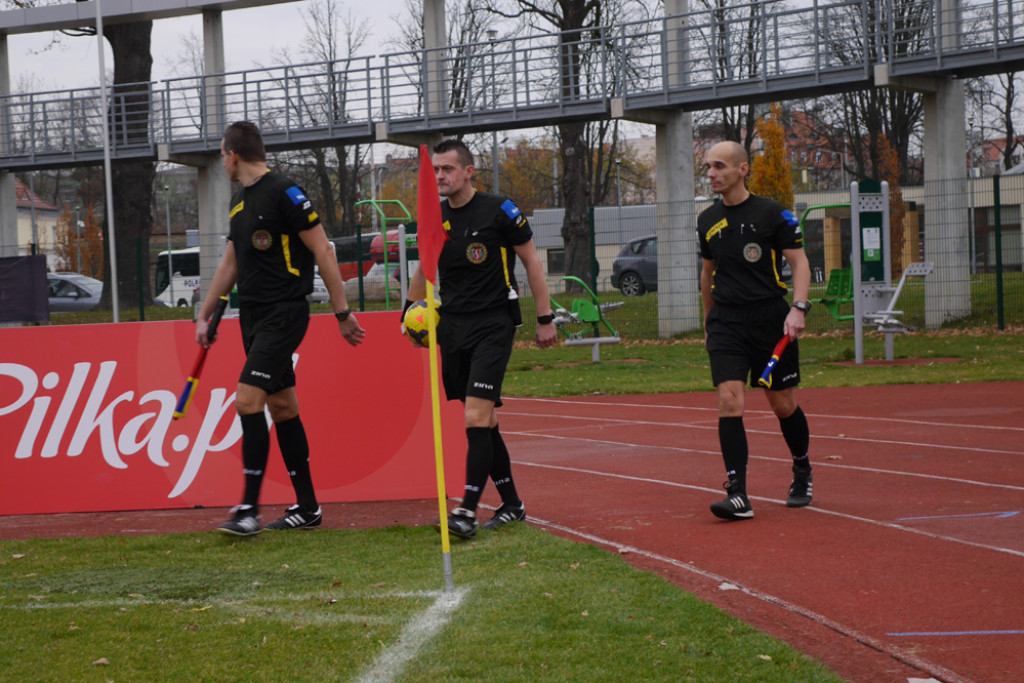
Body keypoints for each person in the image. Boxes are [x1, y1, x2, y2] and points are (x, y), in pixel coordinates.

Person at [196, 121, 366, 537]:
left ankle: (248, 509)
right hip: (252, 318)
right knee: (283, 408)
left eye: (222, 155)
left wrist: (342, 313)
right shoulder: (238, 203)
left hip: (284, 314)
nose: (222, 162)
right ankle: (307, 508)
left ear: (233, 154)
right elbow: (230, 263)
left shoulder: (285, 191)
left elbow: (323, 249)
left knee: (247, 402)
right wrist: (205, 313)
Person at [405, 138, 558, 539]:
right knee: (485, 422)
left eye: (448, 169)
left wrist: (545, 318)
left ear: (469, 171)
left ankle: (467, 511)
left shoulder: (499, 210)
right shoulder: (434, 217)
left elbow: (531, 263)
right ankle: (511, 504)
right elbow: (425, 265)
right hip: (451, 327)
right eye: (436, 169)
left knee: (475, 416)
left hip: (493, 324)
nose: (440, 176)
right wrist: (408, 311)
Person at [696, 140, 813, 521]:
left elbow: (800, 263)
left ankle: (802, 468)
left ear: (742, 169)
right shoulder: (706, 220)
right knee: (729, 401)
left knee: (783, 405)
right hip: (726, 323)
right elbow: (708, 273)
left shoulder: (773, 215)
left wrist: (798, 309)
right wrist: (708, 321)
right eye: (708, 167)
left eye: (719, 166)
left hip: (769, 321)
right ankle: (738, 494)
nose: (711, 174)